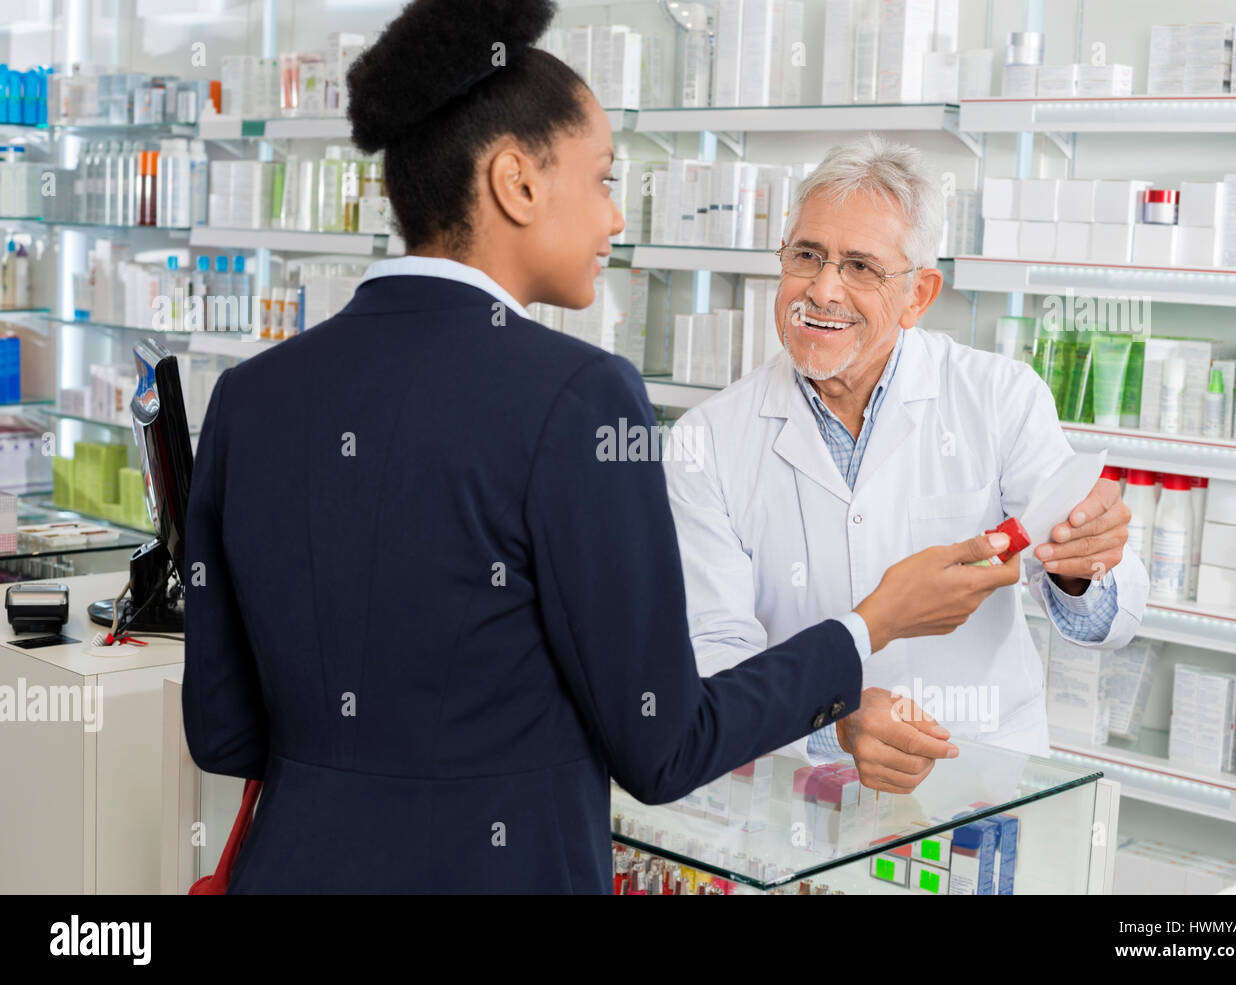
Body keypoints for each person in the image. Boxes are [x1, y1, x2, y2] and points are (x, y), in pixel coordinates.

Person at [182, 0, 1019, 893]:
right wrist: (871, 623)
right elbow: (665, 746)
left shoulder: (251, 397)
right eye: (604, 179)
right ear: (517, 181)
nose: (616, 219)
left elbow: (224, 730)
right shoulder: (578, 397)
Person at [664, 136, 1149, 794]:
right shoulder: (707, 441)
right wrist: (833, 720)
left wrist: (1079, 567)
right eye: (807, 256)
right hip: (797, 793)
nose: (823, 289)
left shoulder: (999, 397)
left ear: (919, 294)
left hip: (977, 784)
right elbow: (712, 654)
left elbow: (1105, 622)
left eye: (861, 267)